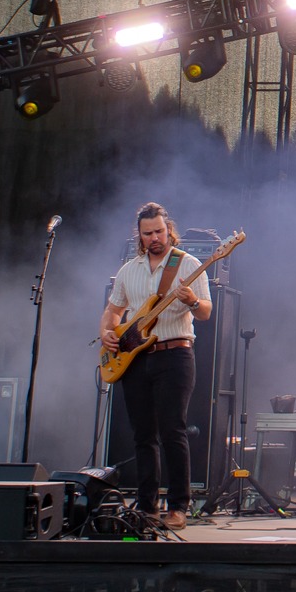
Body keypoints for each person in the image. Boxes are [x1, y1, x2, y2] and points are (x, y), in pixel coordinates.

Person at [100, 202, 212, 530]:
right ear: (139, 235)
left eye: (159, 231)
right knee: (142, 434)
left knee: (172, 429)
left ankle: (178, 506)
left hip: (174, 355)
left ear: (169, 229)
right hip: (135, 359)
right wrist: (107, 332)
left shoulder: (187, 264)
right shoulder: (128, 270)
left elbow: (205, 311)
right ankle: (147, 504)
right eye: (148, 233)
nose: (154, 238)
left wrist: (191, 299)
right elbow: (113, 310)